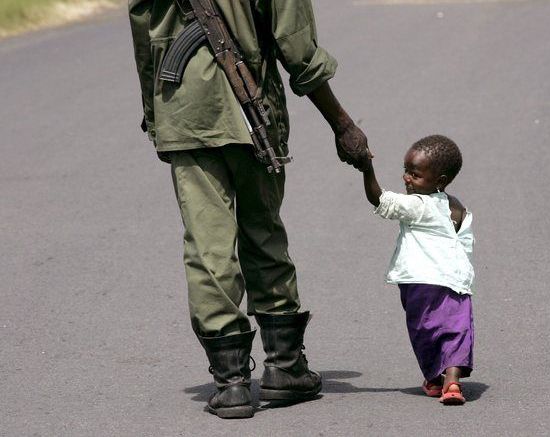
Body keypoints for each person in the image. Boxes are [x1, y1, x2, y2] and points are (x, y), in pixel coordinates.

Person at [128, 0, 370, 419]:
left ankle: (231, 382)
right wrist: (342, 123)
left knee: (208, 247)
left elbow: (145, 37)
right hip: (254, 106)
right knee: (264, 231)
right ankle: (285, 366)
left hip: (185, 113)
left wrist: (155, 116)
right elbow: (297, 48)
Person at [360, 135, 474, 405]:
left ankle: (435, 379)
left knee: (425, 330)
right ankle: (452, 382)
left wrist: (366, 169)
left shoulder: (419, 205)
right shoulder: (459, 209)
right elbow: (465, 245)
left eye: (415, 175)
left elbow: (380, 200)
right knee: (455, 331)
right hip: (456, 282)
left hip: (420, 283)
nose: (406, 179)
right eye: (406, 171)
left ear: (440, 180)